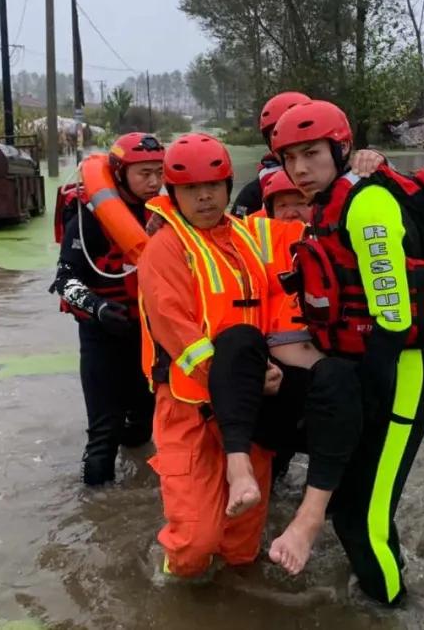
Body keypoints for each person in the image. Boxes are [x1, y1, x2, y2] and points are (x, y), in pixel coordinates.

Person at [270, 101, 424, 605]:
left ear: (339, 150)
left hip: (400, 374)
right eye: (289, 157)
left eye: (311, 154)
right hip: (372, 369)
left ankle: (393, 610)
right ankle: (385, 583)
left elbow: (394, 316)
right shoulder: (327, 203)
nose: (299, 168)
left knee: (361, 518)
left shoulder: (366, 206)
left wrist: (365, 401)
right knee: (353, 509)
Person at [137, 133, 280, 578]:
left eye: (213, 186)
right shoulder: (164, 248)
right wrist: (239, 382)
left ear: (229, 185)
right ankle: (171, 590)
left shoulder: (246, 235)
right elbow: (180, 335)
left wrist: (362, 171)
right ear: (172, 193)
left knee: (242, 544)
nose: (204, 197)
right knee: (195, 542)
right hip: (189, 407)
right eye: (191, 189)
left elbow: (275, 299)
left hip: (251, 403)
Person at [248, 170, 364, 577]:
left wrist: (374, 166)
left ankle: (314, 514)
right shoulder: (251, 237)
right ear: (269, 209)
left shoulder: (341, 234)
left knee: (337, 407)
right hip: (277, 378)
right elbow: (193, 212)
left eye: (300, 201)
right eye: (283, 204)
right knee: (273, 467)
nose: (293, 210)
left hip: (326, 381)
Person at [49, 132, 165, 486]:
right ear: (119, 173)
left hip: (147, 336)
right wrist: (98, 307)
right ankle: (95, 516)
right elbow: (64, 280)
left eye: (158, 172)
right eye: (143, 173)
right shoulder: (86, 219)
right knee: (103, 439)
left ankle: (131, 502)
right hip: (102, 335)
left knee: (143, 426)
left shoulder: (166, 213)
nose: (154, 182)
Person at [231, 90, 386, 217]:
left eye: (310, 153)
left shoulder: (360, 170)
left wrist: (378, 163)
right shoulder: (255, 190)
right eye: (279, 132)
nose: (300, 169)